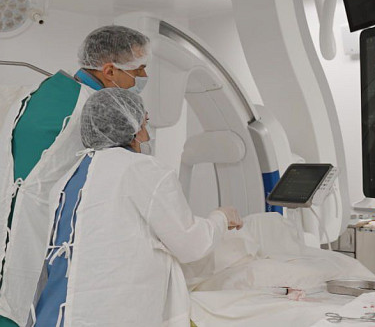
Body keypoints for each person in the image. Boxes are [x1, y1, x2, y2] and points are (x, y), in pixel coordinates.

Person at [32, 88, 242, 326]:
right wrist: (221, 218)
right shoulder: (143, 169)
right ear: (130, 127)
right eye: (145, 124)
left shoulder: (66, 179)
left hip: (52, 315)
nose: (147, 134)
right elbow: (191, 244)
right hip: (108, 316)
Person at [0, 26, 151, 327]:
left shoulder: (37, 92)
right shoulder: (93, 112)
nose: (143, 76)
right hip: (41, 238)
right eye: (139, 69)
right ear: (109, 71)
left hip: (12, 226)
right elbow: (123, 174)